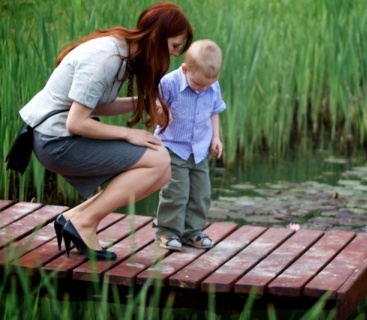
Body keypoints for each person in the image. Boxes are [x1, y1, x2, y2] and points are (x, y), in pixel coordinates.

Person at [18, 2, 193, 260]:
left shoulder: (123, 52)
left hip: (59, 137)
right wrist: (127, 133)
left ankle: (74, 217)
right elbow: (76, 122)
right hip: (55, 141)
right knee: (158, 160)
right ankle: (85, 222)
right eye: (174, 46)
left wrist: (144, 104)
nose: (176, 54)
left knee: (163, 172)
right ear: (158, 38)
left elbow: (95, 105)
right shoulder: (107, 58)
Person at [153, 39, 226, 251]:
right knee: (176, 191)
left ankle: (192, 231)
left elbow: (214, 111)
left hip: (199, 149)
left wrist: (216, 138)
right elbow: (155, 104)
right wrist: (161, 113)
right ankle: (167, 231)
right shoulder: (170, 83)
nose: (203, 89)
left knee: (201, 192)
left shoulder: (212, 86)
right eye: (198, 84)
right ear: (185, 69)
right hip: (173, 146)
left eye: (207, 85)